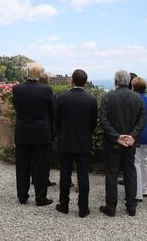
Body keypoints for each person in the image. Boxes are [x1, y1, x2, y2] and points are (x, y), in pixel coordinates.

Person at [99, 70, 146, 217]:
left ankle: (111, 207)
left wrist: (116, 136)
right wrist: (132, 136)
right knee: (130, 172)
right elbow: (142, 119)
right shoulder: (138, 98)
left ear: (115, 81)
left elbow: (103, 120)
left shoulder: (108, 97)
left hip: (113, 142)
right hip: (130, 142)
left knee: (112, 173)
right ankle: (131, 207)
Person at [55, 69, 98, 218]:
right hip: (84, 142)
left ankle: (64, 205)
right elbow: (93, 123)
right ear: (85, 82)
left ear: (72, 80)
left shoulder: (62, 97)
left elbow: (57, 121)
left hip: (66, 141)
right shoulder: (92, 99)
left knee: (65, 174)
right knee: (83, 175)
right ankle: (83, 209)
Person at [12, 63, 54, 206]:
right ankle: (41, 198)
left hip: (23, 131)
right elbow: (52, 111)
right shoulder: (46, 90)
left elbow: (17, 108)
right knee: (40, 167)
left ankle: (22, 196)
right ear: (39, 74)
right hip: (41, 133)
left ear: (27, 73)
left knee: (22, 166)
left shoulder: (17, 89)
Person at [131, 77, 147, 201]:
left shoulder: (136, 100)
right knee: (144, 161)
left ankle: (137, 193)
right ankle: (145, 189)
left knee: (136, 163)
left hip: (137, 134)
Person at [38, 72, 56, 187]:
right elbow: (53, 113)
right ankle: (44, 179)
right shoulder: (49, 94)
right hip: (46, 130)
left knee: (34, 158)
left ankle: (35, 178)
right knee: (45, 158)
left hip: (33, 131)